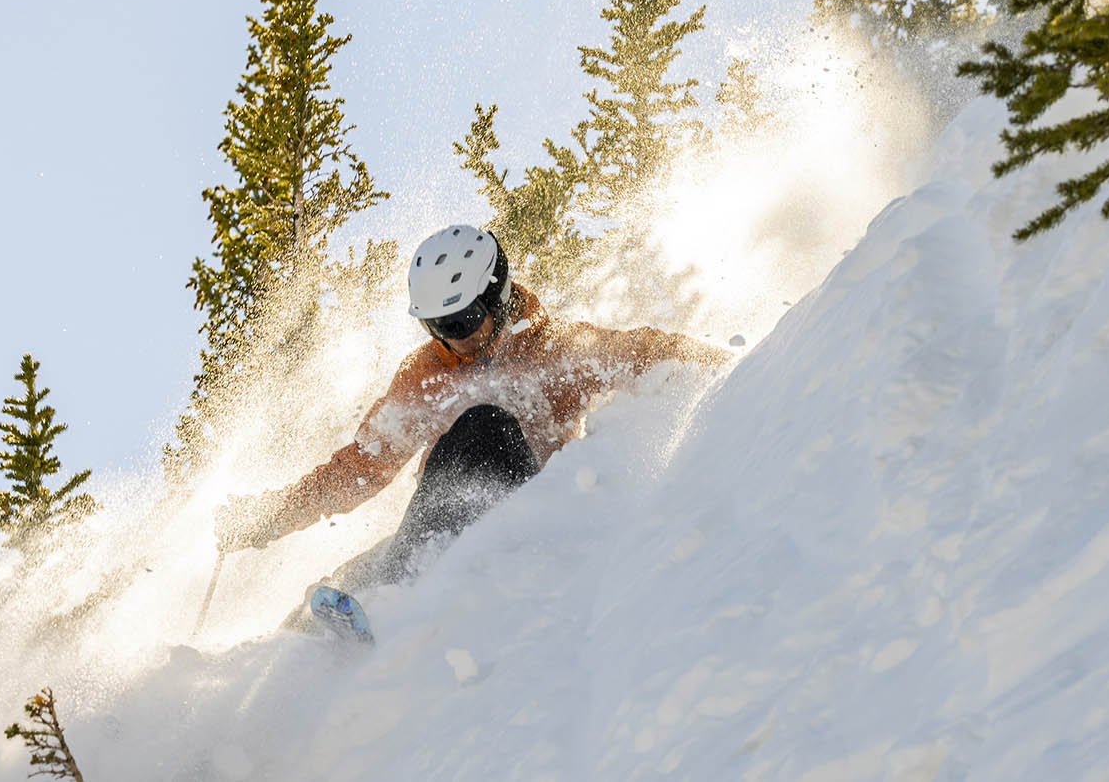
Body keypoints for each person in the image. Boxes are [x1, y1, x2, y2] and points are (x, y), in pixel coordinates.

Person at [212, 224, 729, 593]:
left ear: (497, 295)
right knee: (330, 593)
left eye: (459, 323)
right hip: (433, 531)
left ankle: (402, 588)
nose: (450, 340)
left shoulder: (560, 353)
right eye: (436, 326)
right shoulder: (426, 374)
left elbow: (650, 354)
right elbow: (360, 468)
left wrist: (747, 370)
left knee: (484, 421)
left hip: (523, 523)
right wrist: (265, 520)